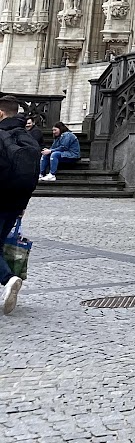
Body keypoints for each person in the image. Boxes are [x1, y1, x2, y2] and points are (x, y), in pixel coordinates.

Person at [1, 97, 42, 313]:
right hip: (16, 202)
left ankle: (9, 279)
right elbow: (33, 175)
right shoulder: (29, 139)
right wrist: (23, 204)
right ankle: (9, 280)